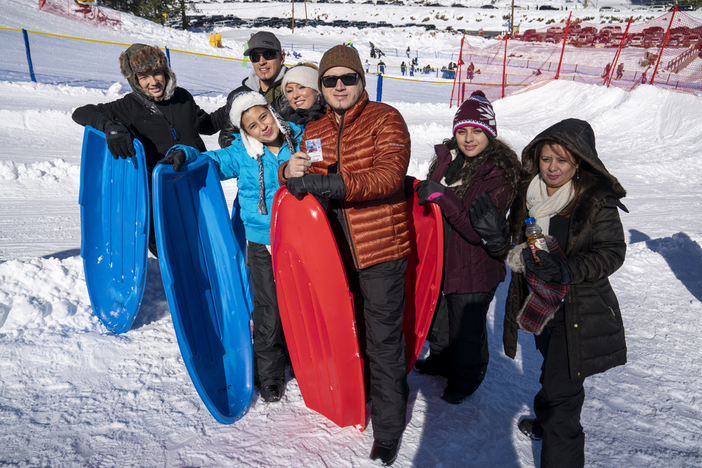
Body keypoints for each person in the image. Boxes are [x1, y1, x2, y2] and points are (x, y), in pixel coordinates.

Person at [279, 45, 411, 466]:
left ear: (361, 81)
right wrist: (290, 172)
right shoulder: (314, 128)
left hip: (380, 250)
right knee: (345, 332)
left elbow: (389, 177)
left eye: (347, 78)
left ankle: (388, 429)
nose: (339, 86)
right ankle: (359, 393)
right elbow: (307, 173)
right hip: (334, 254)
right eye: (330, 80)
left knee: (384, 341)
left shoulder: (385, 118)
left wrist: (328, 185)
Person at [471, 118, 628, 468]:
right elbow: (520, 249)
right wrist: (499, 242)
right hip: (542, 304)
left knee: (563, 398)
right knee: (553, 373)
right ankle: (545, 420)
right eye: (546, 159)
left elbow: (612, 252)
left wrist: (567, 269)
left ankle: (558, 440)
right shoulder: (530, 194)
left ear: (579, 162)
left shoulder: (594, 201)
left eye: (562, 160)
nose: (552, 167)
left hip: (579, 312)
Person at [160, 91, 304, 403]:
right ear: (244, 131)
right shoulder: (242, 153)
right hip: (262, 241)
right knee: (269, 309)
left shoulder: (301, 138)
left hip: (303, 238)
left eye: (262, 117)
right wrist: (183, 152)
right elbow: (210, 160)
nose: (261, 127)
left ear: (270, 112)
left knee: (301, 303)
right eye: (251, 125)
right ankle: (270, 375)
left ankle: (303, 363)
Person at [412, 91, 520, 404]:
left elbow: (476, 230)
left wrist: (441, 197)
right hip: (443, 260)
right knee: (441, 321)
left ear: (490, 133)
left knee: (467, 332)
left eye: (476, 131)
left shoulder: (498, 173)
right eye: (462, 131)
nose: (468, 138)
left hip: (474, 266)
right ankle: (441, 361)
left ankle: (466, 380)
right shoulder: (450, 161)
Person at [72, 43, 224, 257]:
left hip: (196, 185)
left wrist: (236, 105)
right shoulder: (129, 106)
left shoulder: (182, 97)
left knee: (209, 248)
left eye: (157, 73)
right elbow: (80, 113)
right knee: (177, 256)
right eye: (144, 76)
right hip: (159, 196)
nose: (153, 82)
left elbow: (207, 125)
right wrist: (110, 126)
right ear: (134, 80)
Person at [212, 31, 294, 148]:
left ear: (281, 57)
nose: (261, 62)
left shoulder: (297, 91)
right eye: (255, 57)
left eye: (268, 54)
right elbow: (227, 137)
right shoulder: (239, 96)